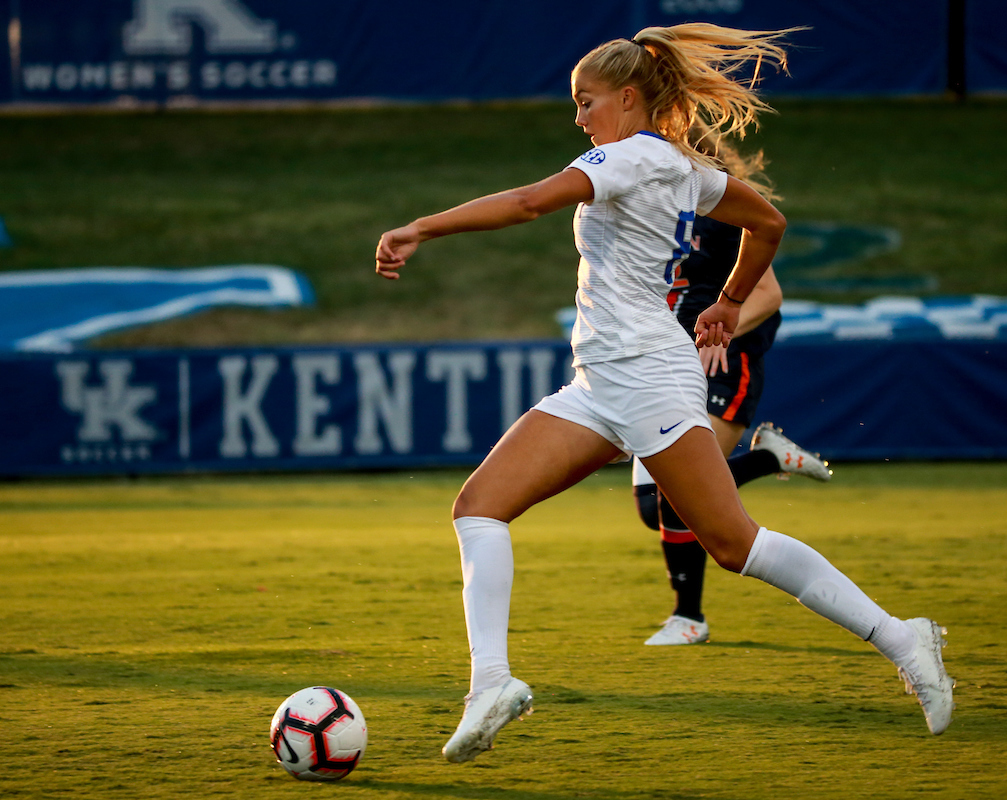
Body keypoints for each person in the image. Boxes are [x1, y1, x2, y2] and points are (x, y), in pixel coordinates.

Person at [374, 23, 954, 762]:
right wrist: (728, 303)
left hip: (648, 374)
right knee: (479, 508)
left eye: (585, 101)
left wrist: (420, 227)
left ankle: (903, 638)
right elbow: (768, 222)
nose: (578, 117)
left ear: (627, 97)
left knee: (734, 543)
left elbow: (526, 203)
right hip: (600, 382)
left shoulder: (625, 158)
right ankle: (491, 683)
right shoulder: (681, 167)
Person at [635, 126, 833, 646]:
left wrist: (715, 333)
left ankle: (688, 618)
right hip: (668, 361)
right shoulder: (647, 209)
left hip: (722, 358)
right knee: (653, 507)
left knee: (680, 492)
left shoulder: (719, 208)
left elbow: (768, 294)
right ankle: (768, 459)